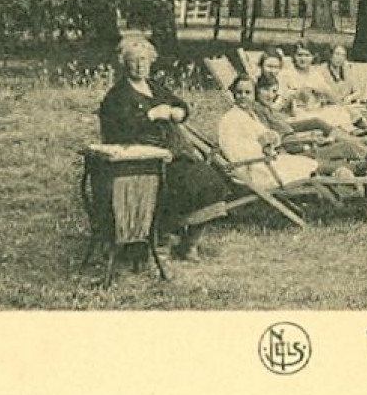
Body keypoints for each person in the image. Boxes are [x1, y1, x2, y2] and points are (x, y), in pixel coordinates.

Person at [97, 36, 227, 261]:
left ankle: (190, 242)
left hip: (173, 152)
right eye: (135, 61)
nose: (140, 65)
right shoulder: (118, 95)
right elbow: (117, 131)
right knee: (175, 186)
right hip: (142, 158)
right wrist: (149, 115)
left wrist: (178, 112)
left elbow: (181, 105)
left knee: (212, 181)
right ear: (125, 63)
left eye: (144, 61)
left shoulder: (154, 87)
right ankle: (162, 240)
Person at [217, 76, 320, 188]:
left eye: (247, 93)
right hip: (252, 170)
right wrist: (261, 144)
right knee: (307, 167)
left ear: (253, 95)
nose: (243, 96)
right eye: (239, 92)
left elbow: (267, 134)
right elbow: (235, 153)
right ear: (233, 94)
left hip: (263, 162)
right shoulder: (230, 119)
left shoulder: (248, 114)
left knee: (307, 164)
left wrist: (271, 137)